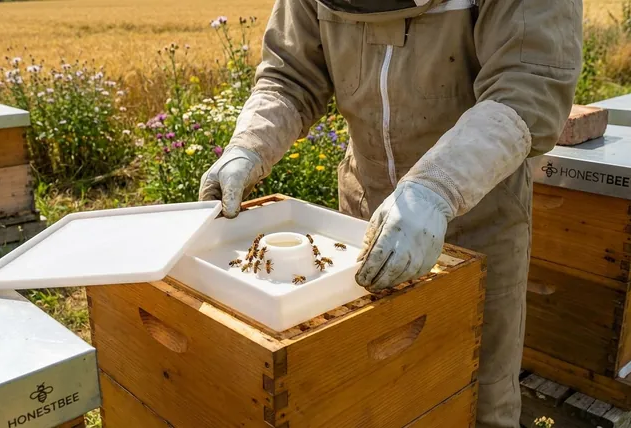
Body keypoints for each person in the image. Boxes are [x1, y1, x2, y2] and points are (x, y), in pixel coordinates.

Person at [199, 0, 582, 426]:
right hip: (359, 218)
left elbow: (528, 88)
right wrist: (250, 145)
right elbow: (290, 75)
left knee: (476, 394)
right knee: (372, 392)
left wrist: (437, 189)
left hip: (478, 215)